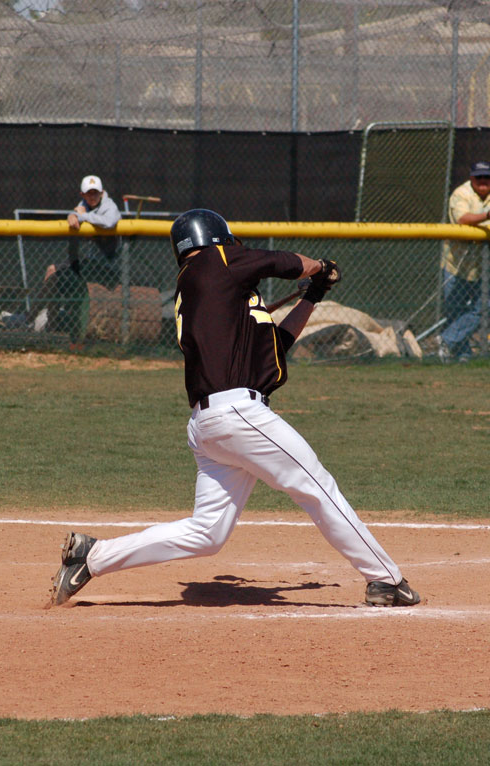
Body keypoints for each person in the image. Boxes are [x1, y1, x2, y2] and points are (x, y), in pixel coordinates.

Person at [48, 209, 420, 609]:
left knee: (208, 533)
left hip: (212, 424)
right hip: (238, 414)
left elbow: (276, 344)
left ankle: (93, 556)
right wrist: (320, 267)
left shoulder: (211, 290)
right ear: (215, 239)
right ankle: (385, 579)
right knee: (317, 487)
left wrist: (313, 295)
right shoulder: (214, 261)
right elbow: (283, 262)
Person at [4, 174, 122, 334]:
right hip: (91, 265)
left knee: (56, 276)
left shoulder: (109, 205)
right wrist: (72, 215)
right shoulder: (84, 204)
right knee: (52, 271)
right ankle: (47, 323)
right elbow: (76, 215)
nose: (92, 196)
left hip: (108, 269)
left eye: (95, 193)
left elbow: (109, 221)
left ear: (102, 193)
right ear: (82, 194)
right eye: (89, 193)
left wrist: (81, 216)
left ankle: (30, 319)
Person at [438, 161, 490, 362]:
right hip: (457, 264)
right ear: (471, 178)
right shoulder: (461, 193)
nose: (483, 181)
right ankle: (462, 355)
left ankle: (447, 341)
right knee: (455, 312)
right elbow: (462, 219)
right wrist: (487, 215)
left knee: (484, 308)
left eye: (487, 177)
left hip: (486, 265)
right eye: (478, 177)